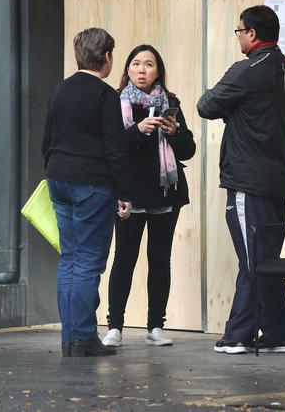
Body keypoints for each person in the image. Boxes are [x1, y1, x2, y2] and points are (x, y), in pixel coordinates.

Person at [197, 5, 285, 354]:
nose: (238, 36)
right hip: (279, 178)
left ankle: (239, 334)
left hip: (248, 180)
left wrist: (232, 108)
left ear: (252, 34)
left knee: (252, 259)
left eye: (239, 30)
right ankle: (278, 333)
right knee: (265, 258)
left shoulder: (246, 70)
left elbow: (206, 105)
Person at [42, 27, 132, 357]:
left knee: (69, 260)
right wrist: (125, 192)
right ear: (106, 57)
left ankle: (70, 337)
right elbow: (116, 149)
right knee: (88, 263)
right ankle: (82, 337)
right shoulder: (105, 95)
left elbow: (46, 140)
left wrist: (54, 171)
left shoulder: (60, 89)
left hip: (59, 179)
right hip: (92, 183)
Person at [101, 45, 196, 348]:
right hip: (128, 192)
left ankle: (156, 326)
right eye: (136, 64)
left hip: (165, 191)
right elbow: (110, 151)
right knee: (124, 259)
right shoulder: (115, 103)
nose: (142, 70)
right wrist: (137, 130)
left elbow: (188, 150)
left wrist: (174, 132)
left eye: (149, 65)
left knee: (160, 260)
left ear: (158, 71)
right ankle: (115, 325)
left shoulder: (172, 103)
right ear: (127, 70)